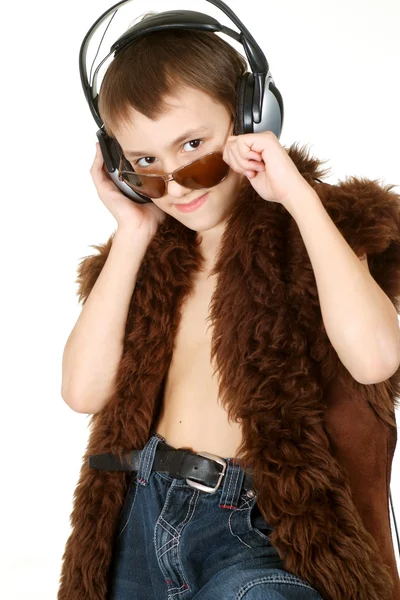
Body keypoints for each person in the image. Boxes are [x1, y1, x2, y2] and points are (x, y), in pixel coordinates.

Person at [59, 9, 400, 600]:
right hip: (135, 520)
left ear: (253, 116)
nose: (179, 182)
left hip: (250, 528)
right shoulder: (144, 261)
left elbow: (375, 360)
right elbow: (83, 392)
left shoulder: (319, 233)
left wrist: (296, 195)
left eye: (194, 146)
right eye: (146, 164)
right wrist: (133, 231)